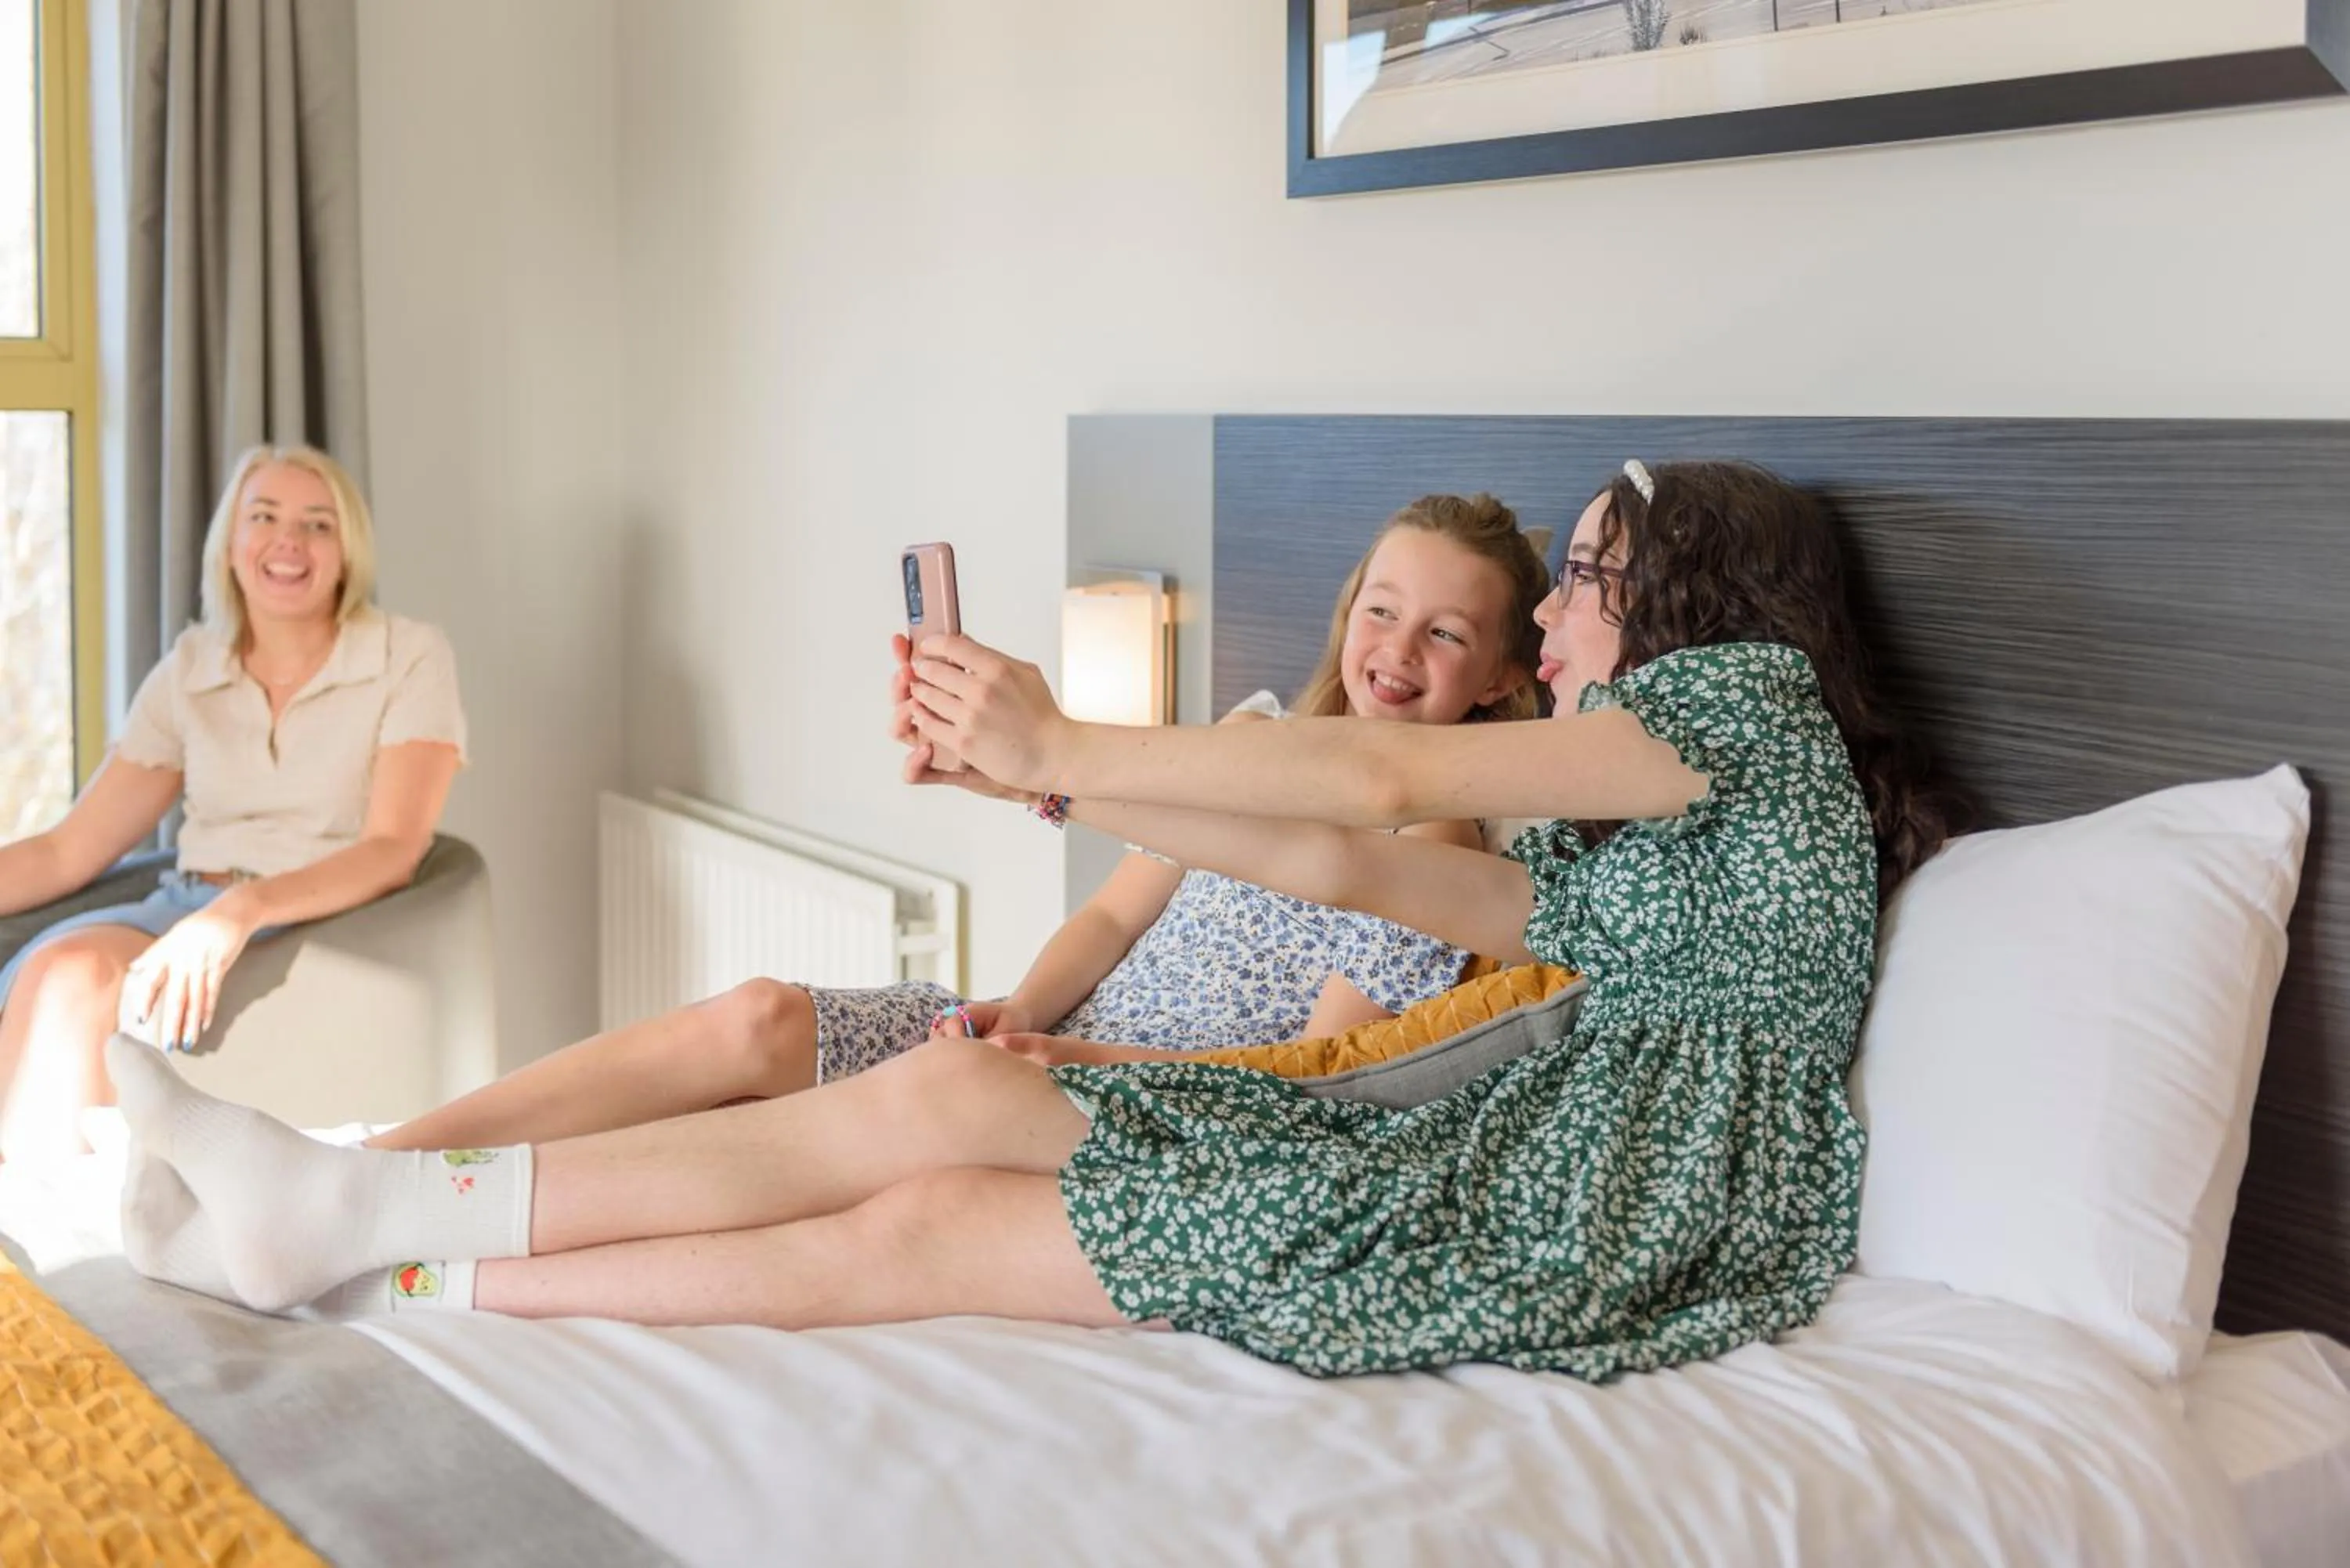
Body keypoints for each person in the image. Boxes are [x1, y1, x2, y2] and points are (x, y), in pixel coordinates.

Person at [110, 459, 1943, 1387]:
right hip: (1543, 1155)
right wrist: (1047, 790)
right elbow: (1368, 867)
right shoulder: (1652, 848)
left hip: (1569, 1198)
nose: (1549, 631)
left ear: (1677, 595)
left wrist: (1062, 736)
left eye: (1572, 591)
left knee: (922, 1181)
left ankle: (378, 1237)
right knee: (904, 1141)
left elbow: (1389, 813)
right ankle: (364, 1221)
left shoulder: (1744, 712)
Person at [367, 492, 1550, 1152]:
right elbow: (1109, 915)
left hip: (1140, 1098)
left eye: (1446, 633)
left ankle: (456, 1202)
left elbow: (1305, 1076)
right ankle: (392, 1159)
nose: (1396, 648)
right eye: (1384, 608)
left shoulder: (1438, 851)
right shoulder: (1244, 736)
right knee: (759, 1018)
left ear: (1501, 674)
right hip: (1037, 1038)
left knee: (779, 1127)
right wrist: (1016, 1010)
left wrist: (1065, 1055)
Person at [0, 446, 465, 1163]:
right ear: (232, 546)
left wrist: (241, 913)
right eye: (265, 516)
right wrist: (211, 914)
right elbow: (69, 851)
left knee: (65, 980)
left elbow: (394, 849)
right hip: (185, 910)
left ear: (347, 554)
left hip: (326, 923)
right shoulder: (191, 669)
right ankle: (38, 1246)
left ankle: (46, 1250)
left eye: (318, 524)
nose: (289, 541)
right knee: (61, 974)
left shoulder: (408, 657)